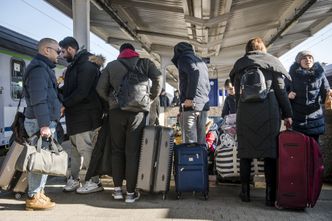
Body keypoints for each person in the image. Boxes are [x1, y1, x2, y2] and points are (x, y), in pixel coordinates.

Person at [229, 37, 293, 206]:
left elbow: (237, 95)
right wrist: (288, 114)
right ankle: (270, 196)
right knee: (270, 155)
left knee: (245, 154)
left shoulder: (240, 65)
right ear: (263, 48)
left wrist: (239, 112)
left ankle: (245, 193)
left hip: (245, 112)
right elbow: (281, 91)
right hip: (268, 112)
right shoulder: (272, 62)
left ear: (247, 49)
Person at [96, 43, 162, 203]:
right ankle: (131, 194)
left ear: (120, 52)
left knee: (116, 151)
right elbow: (158, 78)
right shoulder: (146, 63)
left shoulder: (111, 66)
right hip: (137, 112)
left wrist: (112, 101)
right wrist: (150, 98)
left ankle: (117, 191)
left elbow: (100, 88)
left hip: (116, 112)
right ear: (134, 52)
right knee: (132, 152)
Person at [59, 37, 104, 194]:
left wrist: (65, 104)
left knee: (85, 148)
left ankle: (94, 181)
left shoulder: (85, 65)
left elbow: (82, 92)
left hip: (85, 115)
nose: (61, 55)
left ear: (71, 49)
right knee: (75, 150)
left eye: (63, 52)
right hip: (76, 115)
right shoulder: (76, 65)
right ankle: (74, 178)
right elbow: (72, 89)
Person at [23, 38, 62, 210]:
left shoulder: (44, 68)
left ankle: (39, 193)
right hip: (40, 123)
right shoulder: (38, 69)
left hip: (43, 121)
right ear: (47, 50)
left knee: (44, 160)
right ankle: (33, 197)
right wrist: (44, 125)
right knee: (39, 160)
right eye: (57, 51)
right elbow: (39, 99)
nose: (59, 54)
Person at [285, 50, 332, 142]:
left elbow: (325, 91)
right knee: (301, 147)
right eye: (304, 58)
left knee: (314, 146)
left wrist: (328, 93)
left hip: (315, 117)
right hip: (298, 117)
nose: (308, 60)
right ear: (299, 62)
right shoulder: (291, 75)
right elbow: (283, 91)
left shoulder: (320, 74)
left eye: (310, 58)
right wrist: (288, 94)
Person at [171, 42, 210, 144]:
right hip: (202, 105)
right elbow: (207, 85)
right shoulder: (200, 61)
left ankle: (192, 160)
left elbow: (194, 73)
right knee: (201, 141)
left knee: (190, 142)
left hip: (191, 106)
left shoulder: (183, 59)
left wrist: (189, 98)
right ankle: (202, 160)